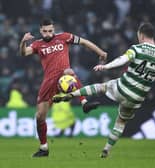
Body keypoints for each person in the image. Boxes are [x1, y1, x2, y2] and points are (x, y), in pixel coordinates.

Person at [52, 22, 155, 158]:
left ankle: (71, 94)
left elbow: (122, 59)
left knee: (103, 87)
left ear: (141, 35)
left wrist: (106, 67)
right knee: (121, 122)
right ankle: (106, 149)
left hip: (123, 87)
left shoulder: (137, 48)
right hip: (137, 98)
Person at [19, 18, 107, 157]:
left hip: (64, 77)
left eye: (50, 31)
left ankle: (84, 102)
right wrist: (23, 41)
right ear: (40, 31)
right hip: (49, 82)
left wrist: (100, 52)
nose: (48, 34)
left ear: (54, 29)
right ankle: (44, 148)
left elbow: (84, 42)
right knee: (40, 116)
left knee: (69, 72)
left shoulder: (64, 37)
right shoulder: (37, 44)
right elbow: (23, 53)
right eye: (45, 31)